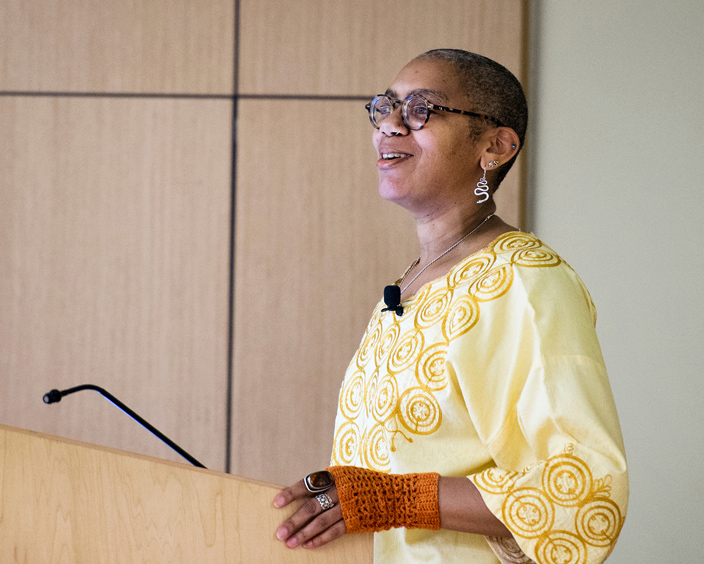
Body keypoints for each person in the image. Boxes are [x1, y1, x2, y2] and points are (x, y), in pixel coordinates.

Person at [273, 49, 628, 564]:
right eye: (385, 107)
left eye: (420, 110)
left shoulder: (525, 280)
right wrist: (350, 495)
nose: (390, 125)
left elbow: (586, 493)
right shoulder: (407, 286)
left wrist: (399, 498)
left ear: (495, 146)